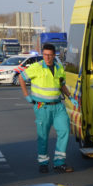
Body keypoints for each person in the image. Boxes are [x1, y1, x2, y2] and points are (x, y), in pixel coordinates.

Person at [19, 44, 78, 173]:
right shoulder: (37, 67)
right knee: (43, 135)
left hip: (58, 106)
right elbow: (21, 78)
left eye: (50, 55)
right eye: (45, 54)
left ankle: (59, 162)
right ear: (42, 54)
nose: (47, 57)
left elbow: (61, 84)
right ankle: (43, 162)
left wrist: (70, 97)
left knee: (64, 130)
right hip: (42, 106)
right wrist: (26, 96)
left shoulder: (59, 67)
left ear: (54, 55)